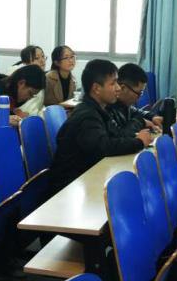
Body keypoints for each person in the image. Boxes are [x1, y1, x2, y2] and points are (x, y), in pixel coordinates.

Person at [48, 60, 152, 195]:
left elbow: (116, 135)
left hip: (86, 178)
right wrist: (138, 142)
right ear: (96, 88)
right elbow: (104, 147)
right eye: (113, 83)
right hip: (68, 188)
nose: (118, 88)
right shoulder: (87, 116)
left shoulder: (99, 110)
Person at [0, 64, 45, 136]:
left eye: (33, 96)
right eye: (30, 93)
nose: (29, 98)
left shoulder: (11, 92)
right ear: (21, 83)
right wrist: (2, 121)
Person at [109, 63, 163, 136]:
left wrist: (153, 117)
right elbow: (120, 136)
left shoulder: (123, 104)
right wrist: (142, 122)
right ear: (123, 88)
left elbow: (136, 111)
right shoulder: (107, 107)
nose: (139, 97)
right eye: (139, 93)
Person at [15, 44, 47, 116]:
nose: (42, 61)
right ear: (25, 63)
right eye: (37, 58)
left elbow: (38, 106)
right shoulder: (20, 80)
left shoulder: (42, 78)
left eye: (43, 56)